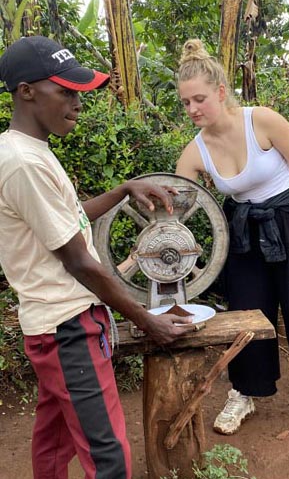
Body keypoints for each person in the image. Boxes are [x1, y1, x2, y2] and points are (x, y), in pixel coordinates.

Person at [0, 35, 193, 479]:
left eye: (79, 92)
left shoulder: (29, 152)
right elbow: (80, 262)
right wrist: (148, 319)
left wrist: (124, 188)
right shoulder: (24, 164)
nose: (77, 102)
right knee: (109, 459)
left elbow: (69, 220)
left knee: (52, 443)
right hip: (69, 330)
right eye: (65, 90)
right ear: (26, 91)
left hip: (50, 325)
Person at [175, 39, 289, 438]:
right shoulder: (194, 152)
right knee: (246, 311)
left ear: (221, 92)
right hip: (244, 229)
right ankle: (244, 391)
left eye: (199, 99)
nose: (192, 109)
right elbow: (180, 208)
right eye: (185, 103)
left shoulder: (263, 121)